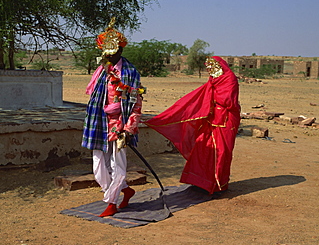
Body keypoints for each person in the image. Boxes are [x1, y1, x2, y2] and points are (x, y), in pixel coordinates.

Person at [145, 56, 240, 194]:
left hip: (226, 121)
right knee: (202, 147)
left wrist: (212, 95)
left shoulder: (229, 79)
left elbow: (228, 101)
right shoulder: (213, 81)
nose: (211, 72)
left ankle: (218, 184)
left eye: (213, 68)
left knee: (221, 151)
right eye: (209, 69)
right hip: (212, 119)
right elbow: (205, 95)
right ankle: (200, 182)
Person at [82, 18, 143, 217]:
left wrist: (128, 129)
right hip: (100, 123)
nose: (108, 56)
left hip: (120, 125)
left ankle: (111, 203)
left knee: (118, 166)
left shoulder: (130, 73)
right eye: (105, 53)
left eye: (112, 52)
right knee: (98, 165)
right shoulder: (101, 72)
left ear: (120, 51)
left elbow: (135, 103)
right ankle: (124, 191)